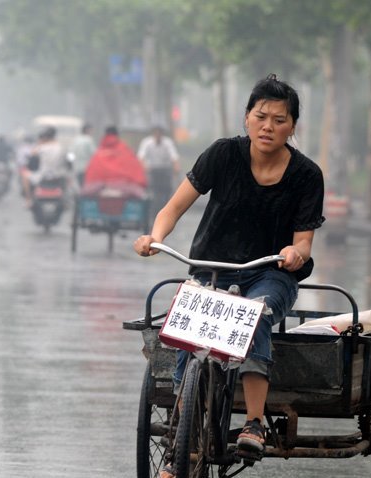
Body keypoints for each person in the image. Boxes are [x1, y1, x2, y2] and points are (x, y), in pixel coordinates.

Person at [133, 74, 324, 472]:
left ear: (292, 127)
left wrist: (293, 252)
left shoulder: (307, 175)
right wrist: (155, 236)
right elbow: (172, 208)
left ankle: (253, 423)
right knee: (188, 333)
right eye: (261, 116)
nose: (268, 126)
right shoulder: (222, 155)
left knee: (254, 312)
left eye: (279, 119)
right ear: (247, 118)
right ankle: (182, 436)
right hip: (211, 269)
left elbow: (304, 243)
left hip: (269, 274)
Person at [82, 125, 147, 191]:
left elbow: (91, 175)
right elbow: (135, 169)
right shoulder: (124, 150)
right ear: (117, 135)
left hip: (99, 190)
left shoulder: (99, 153)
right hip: (124, 189)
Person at [137, 125, 180, 220]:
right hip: (153, 170)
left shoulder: (168, 143)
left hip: (165, 170)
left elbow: (174, 156)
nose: (157, 135)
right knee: (151, 191)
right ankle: (152, 210)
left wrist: (176, 166)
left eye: (159, 132)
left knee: (167, 190)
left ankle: (167, 210)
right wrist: (144, 166)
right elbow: (141, 157)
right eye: (156, 132)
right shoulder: (147, 143)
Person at [21, 126, 69, 208]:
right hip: (58, 175)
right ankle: (65, 200)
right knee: (69, 179)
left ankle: (28, 200)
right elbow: (69, 160)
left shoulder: (40, 148)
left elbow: (31, 160)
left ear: (45, 137)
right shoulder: (62, 148)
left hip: (42, 176)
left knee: (24, 174)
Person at [68, 123, 97, 187]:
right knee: (85, 185)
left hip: (76, 167)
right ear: (87, 130)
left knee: (79, 184)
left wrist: (71, 163)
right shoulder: (89, 140)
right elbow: (94, 154)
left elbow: (70, 153)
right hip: (87, 167)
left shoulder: (76, 140)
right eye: (91, 130)